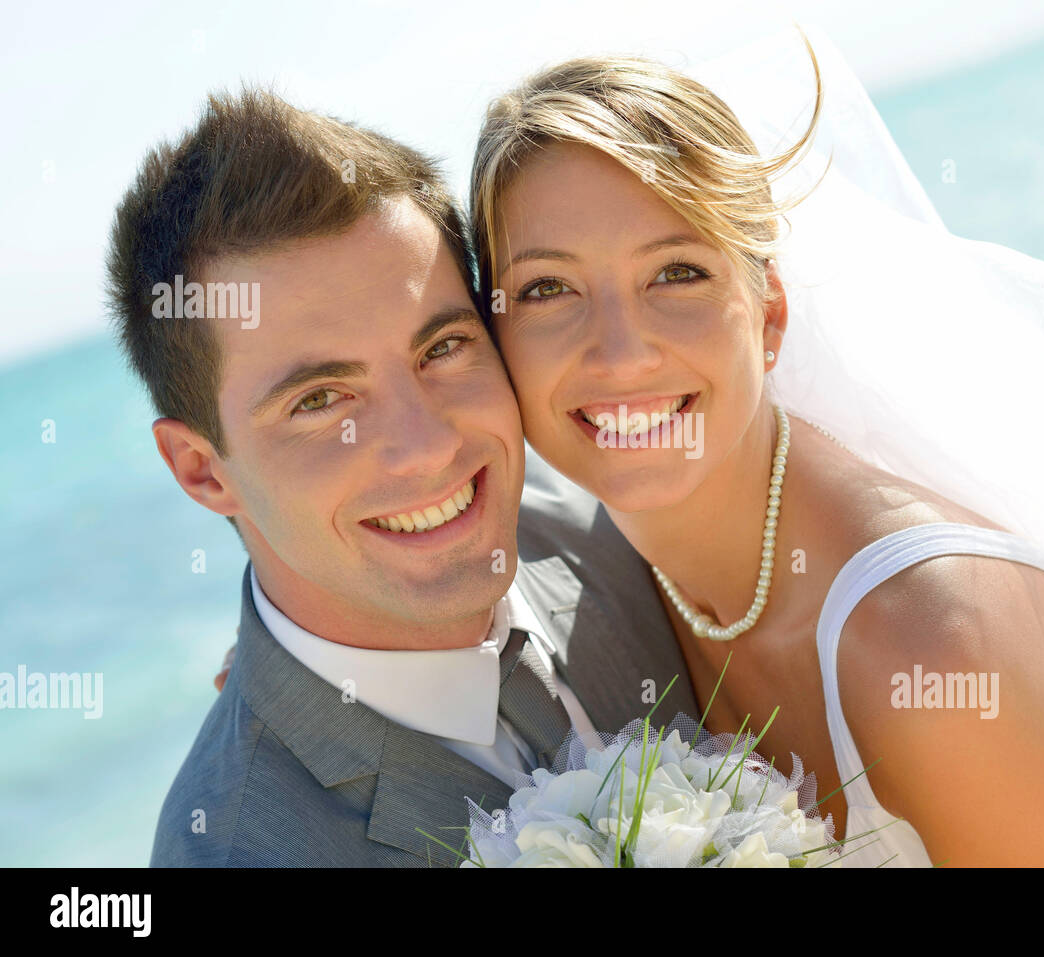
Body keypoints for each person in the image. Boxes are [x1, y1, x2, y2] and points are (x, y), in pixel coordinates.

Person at [466, 32, 1044, 866]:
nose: (620, 352)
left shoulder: (929, 642)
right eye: (548, 288)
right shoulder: (601, 570)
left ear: (769, 317)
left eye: (676, 272)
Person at [109, 88, 697, 866]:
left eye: (443, 349)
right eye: (319, 400)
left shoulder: (634, 535)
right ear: (203, 471)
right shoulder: (240, 847)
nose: (424, 447)